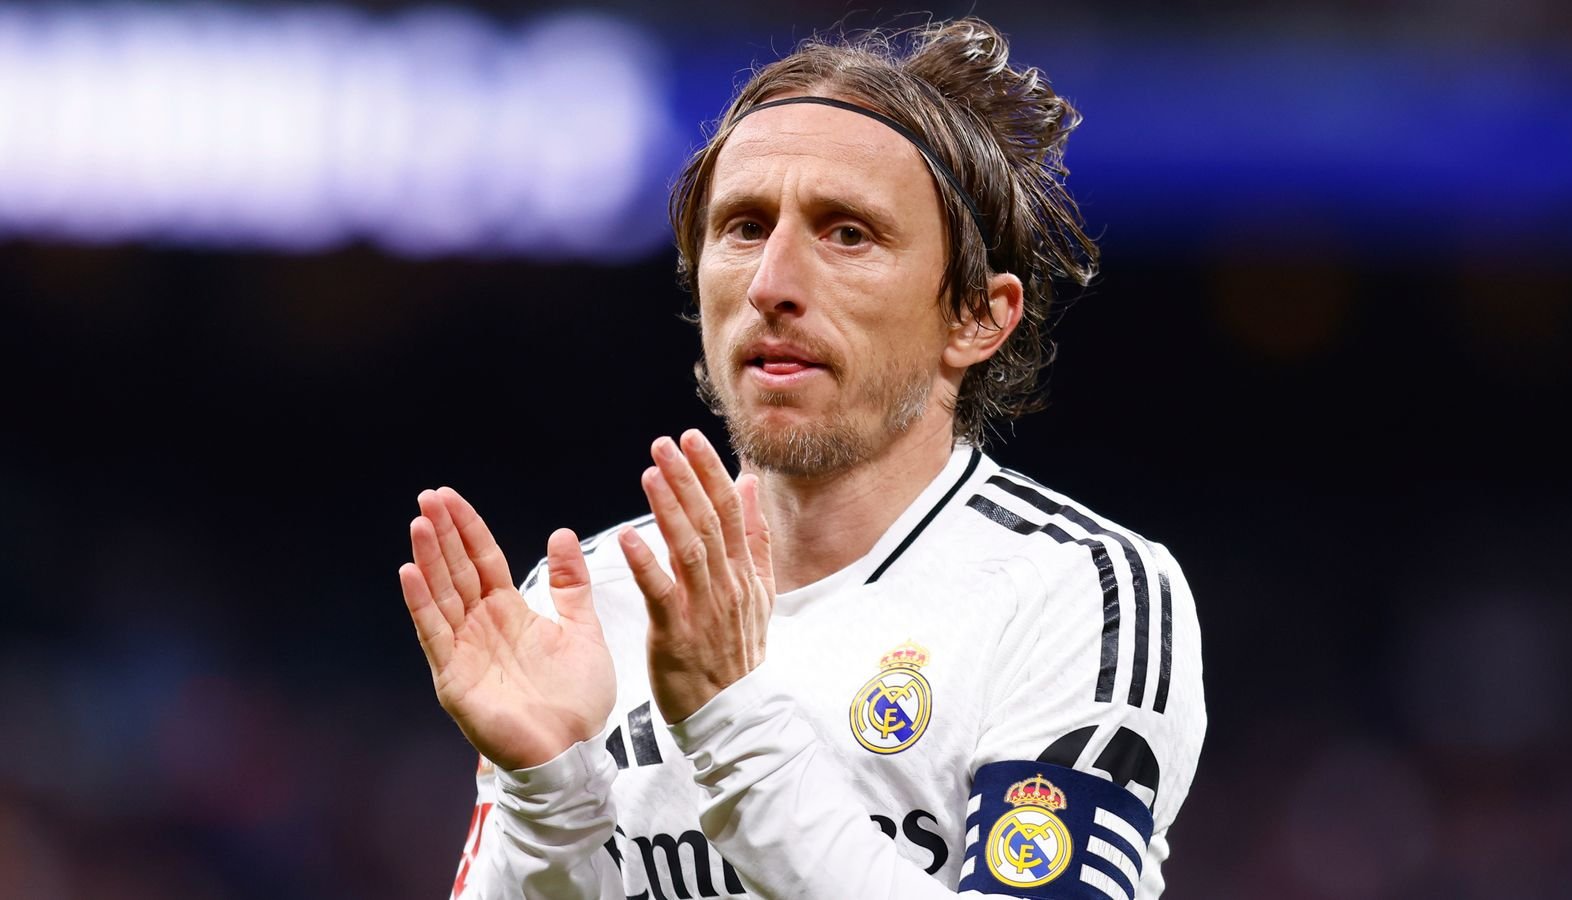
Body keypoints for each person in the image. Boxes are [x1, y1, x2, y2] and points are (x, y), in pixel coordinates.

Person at [399, 17, 1205, 900]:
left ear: (978, 315)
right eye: (744, 227)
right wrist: (547, 804)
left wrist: (732, 729)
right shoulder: (584, 605)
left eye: (847, 233)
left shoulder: (1076, 592)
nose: (771, 284)